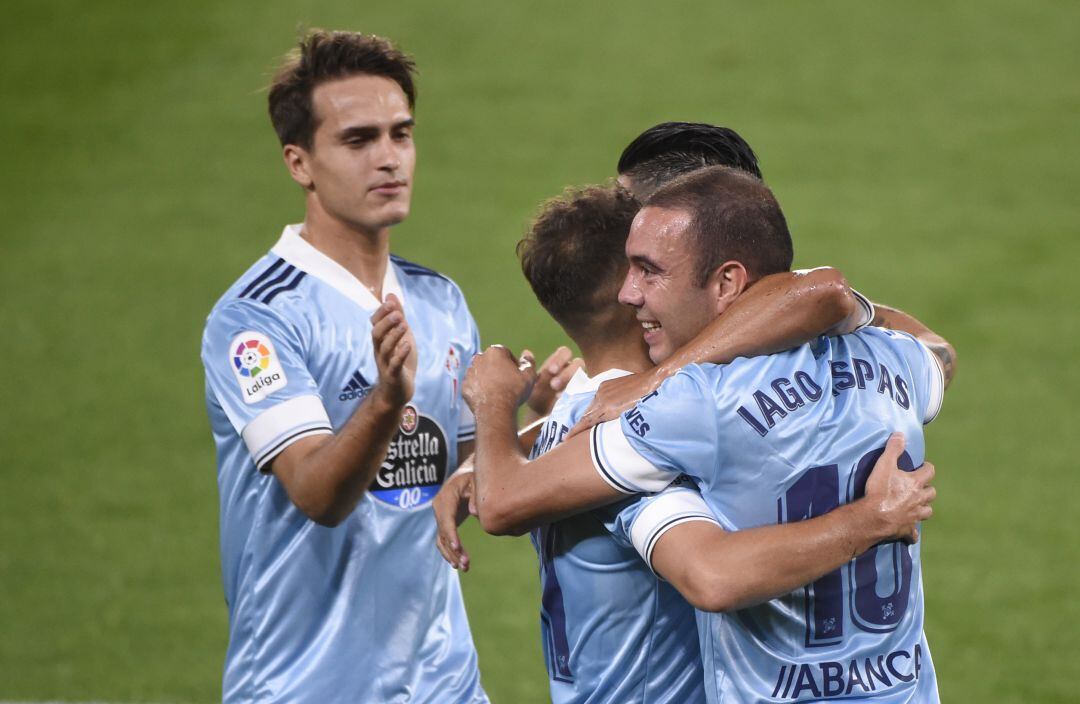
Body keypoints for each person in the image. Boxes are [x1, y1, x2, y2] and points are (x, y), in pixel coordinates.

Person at [463, 166, 954, 702]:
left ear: (726, 282)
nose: (630, 292)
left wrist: (493, 407)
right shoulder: (893, 359)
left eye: (649, 271)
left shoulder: (692, 403)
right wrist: (838, 307)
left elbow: (505, 500)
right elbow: (939, 352)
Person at [200, 30, 492, 702]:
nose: (389, 158)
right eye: (358, 140)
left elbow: (465, 473)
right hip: (304, 685)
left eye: (401, 134)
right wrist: (387, 400)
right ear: (300, 163)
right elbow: (318, 495)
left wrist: (526, 415)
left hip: (443, 684)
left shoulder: (439, 301)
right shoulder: (256, 320)